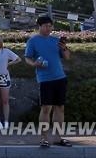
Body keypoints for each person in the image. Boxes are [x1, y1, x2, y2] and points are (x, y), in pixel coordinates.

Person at [25, 15, 72, 148]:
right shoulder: (33, 41)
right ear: (39, 26)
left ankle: (58, 137)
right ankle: (44, 138)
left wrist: (64, 48)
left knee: (60, 108)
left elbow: (67, 57)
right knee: (46, 108)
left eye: (50, 26)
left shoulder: (56, 40)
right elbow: (27, 58)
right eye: (45, 26)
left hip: (60, 78)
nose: (48, 28)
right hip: (45, 79)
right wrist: (34, 64)